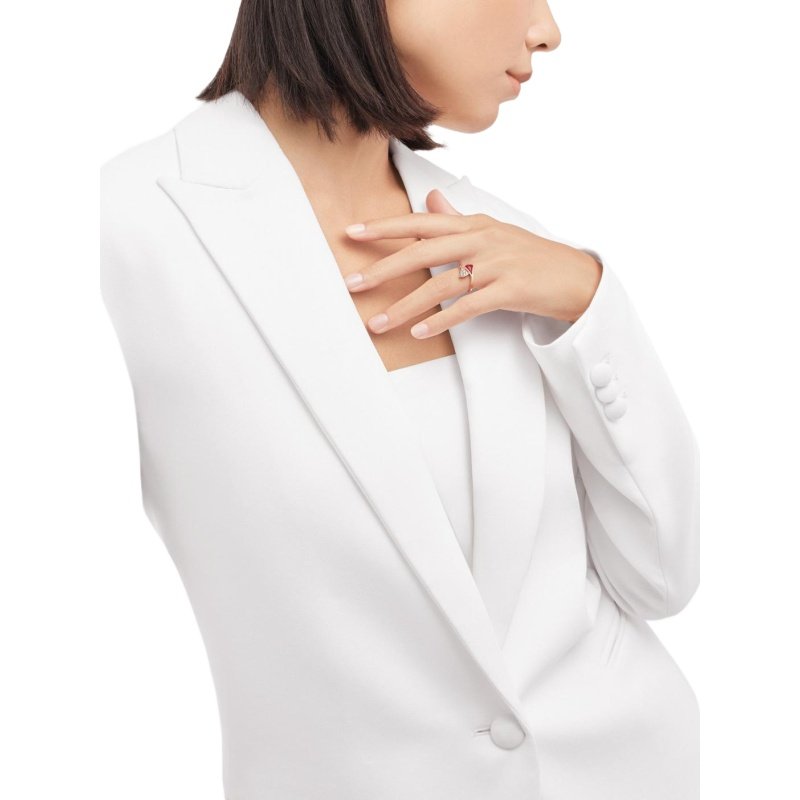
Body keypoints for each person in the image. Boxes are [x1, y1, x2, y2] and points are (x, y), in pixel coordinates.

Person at [99, 1, 701, 798]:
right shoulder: (122, 228)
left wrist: (588, 298)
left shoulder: (505, 240)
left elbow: (661, 577)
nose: (548, 28)